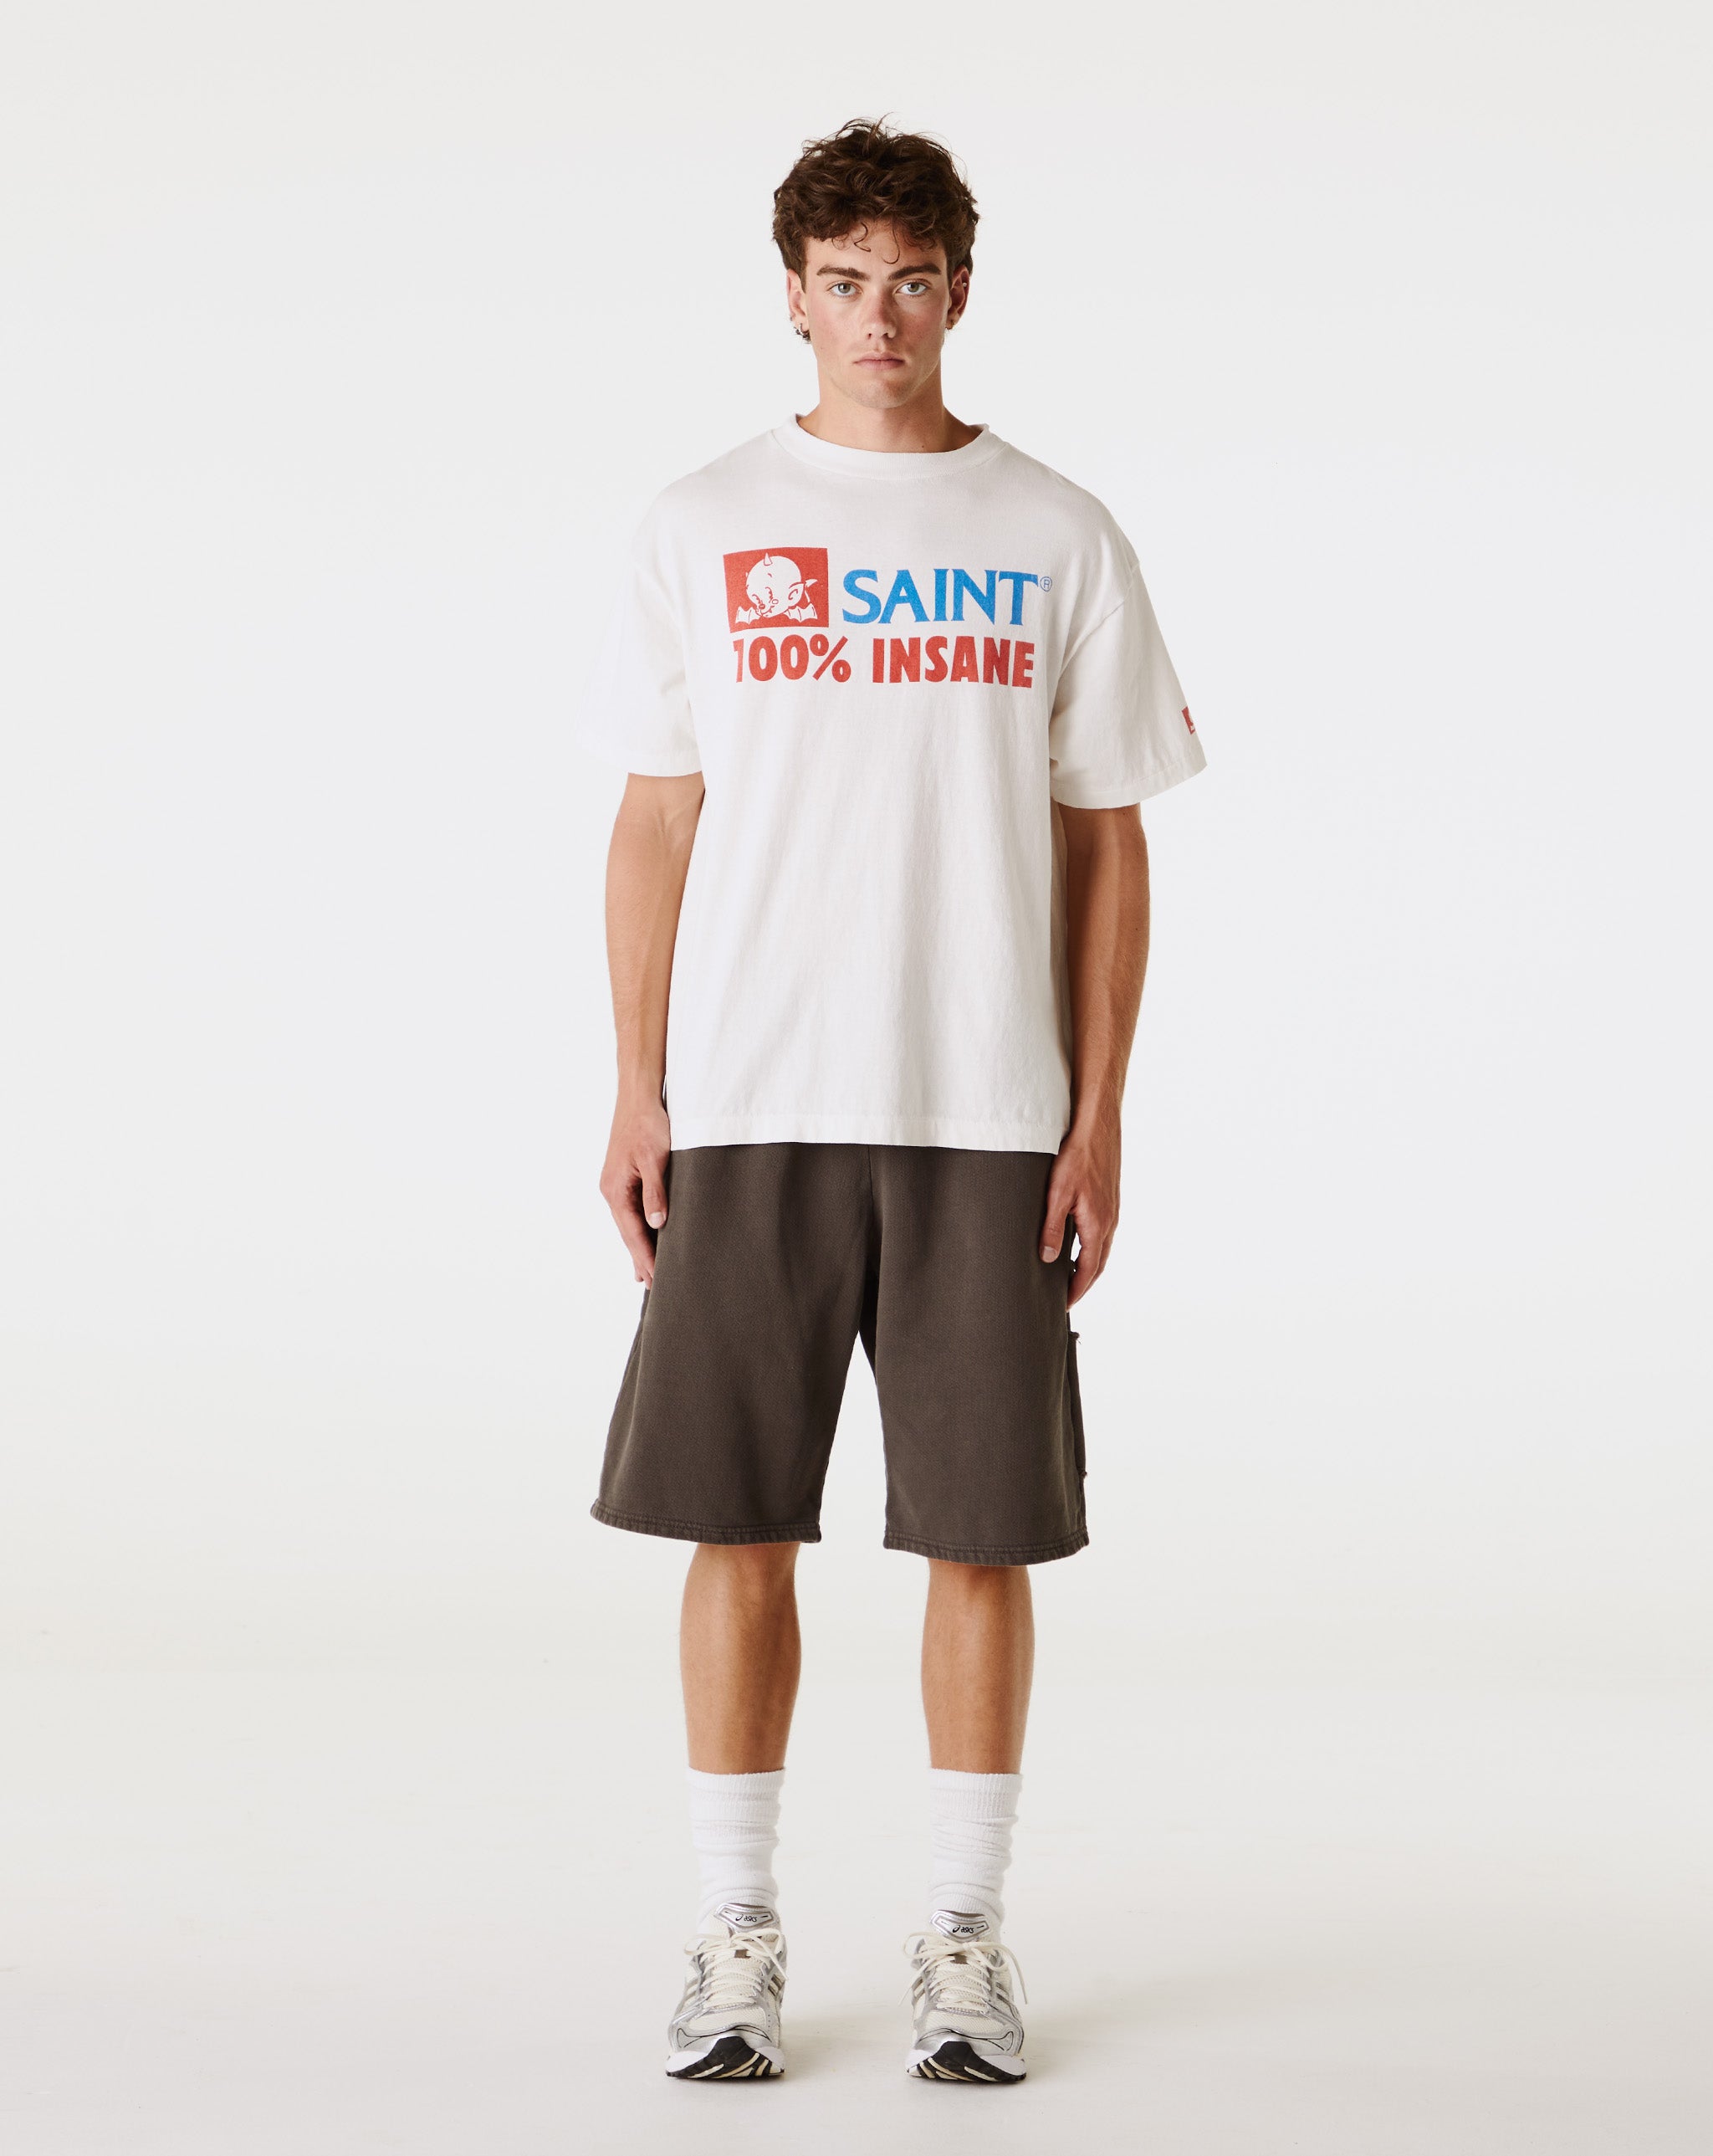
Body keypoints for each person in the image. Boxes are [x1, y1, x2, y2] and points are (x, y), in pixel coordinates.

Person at [579, 117, 1205, 2084]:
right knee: (732, 1522)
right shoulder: (699, 521)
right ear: (792, 296)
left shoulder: (1057, 531)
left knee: (981, 1535)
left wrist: (1098, 1112)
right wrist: (635, 1087)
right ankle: (734, 1930)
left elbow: (1106, 842)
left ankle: (963, 1931)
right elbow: (654, 821)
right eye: (843, 283)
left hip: (985, 1105)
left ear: (960, 290)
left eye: (911, 281)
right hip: (750, 1095)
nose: (879, 319)